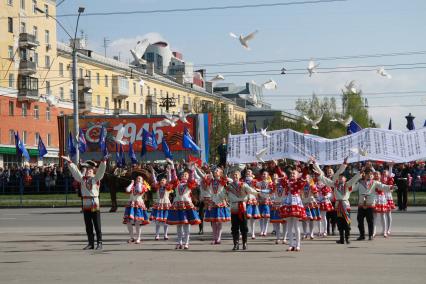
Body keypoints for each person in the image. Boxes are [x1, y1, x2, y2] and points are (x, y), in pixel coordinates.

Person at [62, 156, 107, 250]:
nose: (88, 171)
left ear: (94, 172)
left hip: (94, 203)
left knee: (97, 224)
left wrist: (103, 161)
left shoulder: (96, 179)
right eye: (87, 170)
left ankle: (100, 243)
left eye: (90, 170)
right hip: (86, 203)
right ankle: (91, 243)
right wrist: (69, 162)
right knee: (88, 225)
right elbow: (75, 172)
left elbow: (101, 171)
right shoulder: (82, 179)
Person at [313, 159, 361, 244]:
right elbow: (325, 180)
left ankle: (347, 237)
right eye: (339, 177)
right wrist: (317, 171)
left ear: (345, 179)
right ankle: (342, 238)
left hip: (346, 205)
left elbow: (354, 179)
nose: (340, 178)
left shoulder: (347, 185)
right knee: (339, 222)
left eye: (342, 177)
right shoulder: (334, 185)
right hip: (338, 205)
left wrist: (359, 173)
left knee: (347, 222)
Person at [352, 168, 396, 241]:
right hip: (361, 204)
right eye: (367, 174)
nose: (369, 176)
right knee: (360, 220)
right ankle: (362, 235)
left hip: (370, 204)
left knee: (370, 220)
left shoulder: (375, 182)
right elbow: (352, 188)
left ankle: (370, 235)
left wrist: (391, 187)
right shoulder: (360, 183)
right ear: (364, 175)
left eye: (371, 174)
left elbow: (382, 186)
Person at [166, 162, 201, 250]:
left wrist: (191, 169)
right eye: (183, 175)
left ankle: (186, 242)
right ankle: (179, 242)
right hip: (178, 204)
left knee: (186, 224)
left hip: (186, 204)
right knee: (179, 224)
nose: (184, 176)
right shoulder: (177, 183)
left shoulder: (189, 183)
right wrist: (172, 166)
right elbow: (174, 178)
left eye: (186, 175)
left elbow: (192, 179)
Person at [226, 170, 260, 250]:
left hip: (243, 208)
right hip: (234, 208)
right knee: (234, 227)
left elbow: (251, 191)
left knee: (244, 227)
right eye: (233, 175)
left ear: (240, 176)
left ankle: (244, 243)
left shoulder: (244, 185)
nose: (235, 176)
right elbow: (224, 194)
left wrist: (259, 193)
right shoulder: (229, 186)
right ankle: (236, 244)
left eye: (236, 175)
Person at [200, 167, 231, 245]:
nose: (215, 171)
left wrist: (227, 167)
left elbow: (225, 175)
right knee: (213, 221)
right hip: (212, 201)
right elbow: (202, 176)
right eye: (215, 170)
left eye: (217, 170)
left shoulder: (222, 181)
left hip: (220, 201)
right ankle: (214, 238)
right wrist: (195, 168)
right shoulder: (211, 181)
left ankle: (219, 238)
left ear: (220, 173)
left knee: (219, 221)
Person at [280, 168, 308, 252]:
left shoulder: (299, 182)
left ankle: (298, 244)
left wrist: (308, 165)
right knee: (289, 225)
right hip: (288, 202)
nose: (292, 175)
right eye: (291, 173)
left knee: (296, 225)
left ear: (297, 175)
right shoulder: (287, 182)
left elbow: (304, 175)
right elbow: (281, 174)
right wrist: (276, 166)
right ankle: (291, 244)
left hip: (296, 202)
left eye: (294, 174)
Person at [123, 176, 150, 244]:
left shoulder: (144, 186)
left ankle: (138, 238)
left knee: (137, 222)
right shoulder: (133, 187)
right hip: (131, 204)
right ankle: (131, 237)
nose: (137, 179)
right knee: (128, 221)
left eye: (139, 179)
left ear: (142, 181)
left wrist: (139, 184)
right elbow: (127, 190)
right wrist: (132, 183)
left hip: (138, 205)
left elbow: (140, 191)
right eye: (137, 178)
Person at [150, 164, 173, 240]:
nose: (162, 181)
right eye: (161, 180)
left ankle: (165, 235)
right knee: (158, 221)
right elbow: (154, 180)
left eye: (163, 180)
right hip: (159, 204)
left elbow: (170, 180)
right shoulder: (157, 187)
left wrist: (169, 172)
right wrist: (152, 172)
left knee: (166, 221)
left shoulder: (168, 188)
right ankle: (157, 235)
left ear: (166, 182)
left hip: (166, 204)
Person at [242, 169, 261, 239]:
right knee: (244, 217)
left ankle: (253, 233)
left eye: (250, 171)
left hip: (252, 199)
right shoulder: (243, 181)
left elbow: (259, 188)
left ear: (252, 173)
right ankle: (244, 232)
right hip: (245, 199)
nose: (248, 173)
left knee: (253, 218)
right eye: (247, 172)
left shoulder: (255, 181)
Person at [271, 173, 288, 244]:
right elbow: (270, 193)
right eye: (274, 176)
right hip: (276, 205)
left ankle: (284, 238)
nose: (275, 177)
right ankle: (278, 238)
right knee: (277, 223)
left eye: (277, 176)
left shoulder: (286, 184)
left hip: (284, 205)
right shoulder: (272, 185)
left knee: (284, 223)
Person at [256, 171, 273, 237]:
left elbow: (270, 191)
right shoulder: (258, 183)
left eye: (265, 174)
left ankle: (265, 231)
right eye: (262, 174)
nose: (263, 175)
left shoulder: (270, 183)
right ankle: (261, 230)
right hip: (260, 200)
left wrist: (261, 191)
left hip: (266, 200)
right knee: (261, 217)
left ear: (268, 175)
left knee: (266, 216)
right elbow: (256, 190)